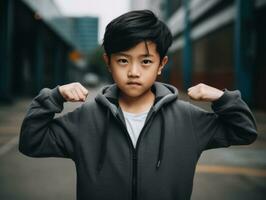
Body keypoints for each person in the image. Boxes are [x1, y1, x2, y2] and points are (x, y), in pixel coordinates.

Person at [19, 10, 258, 200]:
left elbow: (244, 131)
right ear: (108, 62)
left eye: (145, 61)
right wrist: (54, 97)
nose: (133, 72)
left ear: (161, 64)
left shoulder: (187, 119)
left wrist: (222, 98)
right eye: (123, 60)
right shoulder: (85, 118)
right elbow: (31, 141)